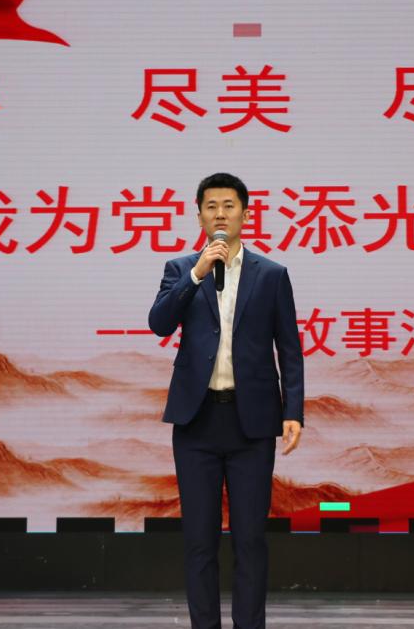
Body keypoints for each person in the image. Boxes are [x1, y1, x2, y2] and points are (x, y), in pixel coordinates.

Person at [148, 172, 304, 629]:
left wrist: (293, 411)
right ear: (199, 215)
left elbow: (289, 348)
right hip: (196, 423)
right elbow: (159, 323)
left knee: (250, 540)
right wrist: (197, 273)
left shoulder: (271, 275)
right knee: (199, 542)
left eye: (229, 206)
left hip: (251, 423)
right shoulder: (180, 269)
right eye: (211, 206)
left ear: (246, 214)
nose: (220, 214)